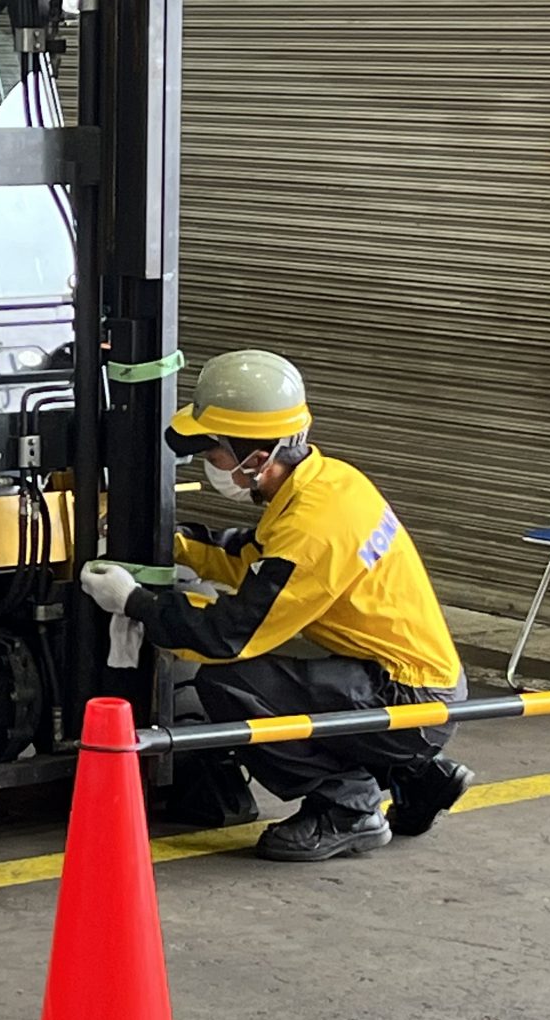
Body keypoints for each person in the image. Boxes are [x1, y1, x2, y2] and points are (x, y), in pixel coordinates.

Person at [81, 349, 473, 862]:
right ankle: (417, 775)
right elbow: (254, 558)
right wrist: (176, 544)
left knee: (229, 683)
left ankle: (347, 807)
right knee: (284, 673)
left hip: (411, 701)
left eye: (214, 450)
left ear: (258, 457)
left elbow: (228, 636)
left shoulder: (312, 531)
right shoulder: (326, 482)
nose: (209, 463)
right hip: (417, 680)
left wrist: (135, 602)